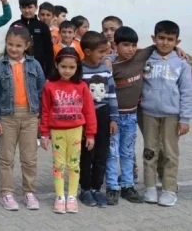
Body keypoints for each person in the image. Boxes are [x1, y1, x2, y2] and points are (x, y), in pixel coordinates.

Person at [0, 25, 46, 211]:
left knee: (29, 158)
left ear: (27, 45)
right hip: (7, 118)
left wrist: (40, 117)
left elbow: (41, 90)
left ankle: (29, 192)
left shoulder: (34, 65)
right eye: (10, 44)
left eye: (18, 45)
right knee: (6, 158)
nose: (14, 49)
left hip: (30, 117)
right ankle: (7, 193)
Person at [141, 20, 192, 207]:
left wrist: (185, 119)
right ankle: (150, 187)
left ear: (177, 42)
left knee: (170, 152)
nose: (165, 43)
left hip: (172, 115)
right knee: (149, 151)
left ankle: (169, 188)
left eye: (170, 39)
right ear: (154, 38)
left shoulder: (182, 64)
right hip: (148, 113)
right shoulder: (145, 59)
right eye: (161, 38)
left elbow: (187, 92)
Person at [40, 49, 97, 214]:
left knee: (73, 164)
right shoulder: (49, 86)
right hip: (57, 132)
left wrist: (91, 134)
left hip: (76, 130)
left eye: (71, 67)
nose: (67, 70)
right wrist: (44, 133)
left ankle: (71, 196)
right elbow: (45, 111)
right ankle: (60, 196)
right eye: (63, 66)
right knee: (59, 164)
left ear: (77, 68)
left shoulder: (82, 86)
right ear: (56, 65)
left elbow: (89, 111)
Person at [105, 26, 147, 205]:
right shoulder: (111, 65)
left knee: (128, 152)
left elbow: (157, 46)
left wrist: (178, 48)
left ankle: (128, 186)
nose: (130, 49)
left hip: (131, 117)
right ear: (116, 45)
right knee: (112, 153)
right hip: (113, 118)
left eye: (134, 45)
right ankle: (112, 187)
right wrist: (108, 58)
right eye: (126, 45)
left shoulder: (139, 59)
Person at [78, 31, 118, 208]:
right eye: (101, 52)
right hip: (85, 117)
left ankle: (96, 188)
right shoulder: (78, 70)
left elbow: (112, 94)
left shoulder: (105, 69)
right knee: (86, 154)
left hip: (103, 114)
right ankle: (85, 189)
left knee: (101, 154)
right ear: (87, 51)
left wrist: (113, 118)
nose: (104, 55)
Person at [10, 0, 54, 78]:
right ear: (20, 8)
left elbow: (49, 52)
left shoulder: (43, 27)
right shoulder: (15, 25)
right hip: (17, 70)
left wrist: (48, 75)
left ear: (36, 7)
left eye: (30, 7)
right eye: (24, 7)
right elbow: (9, 48)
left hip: (38, 70)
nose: (27, 11)